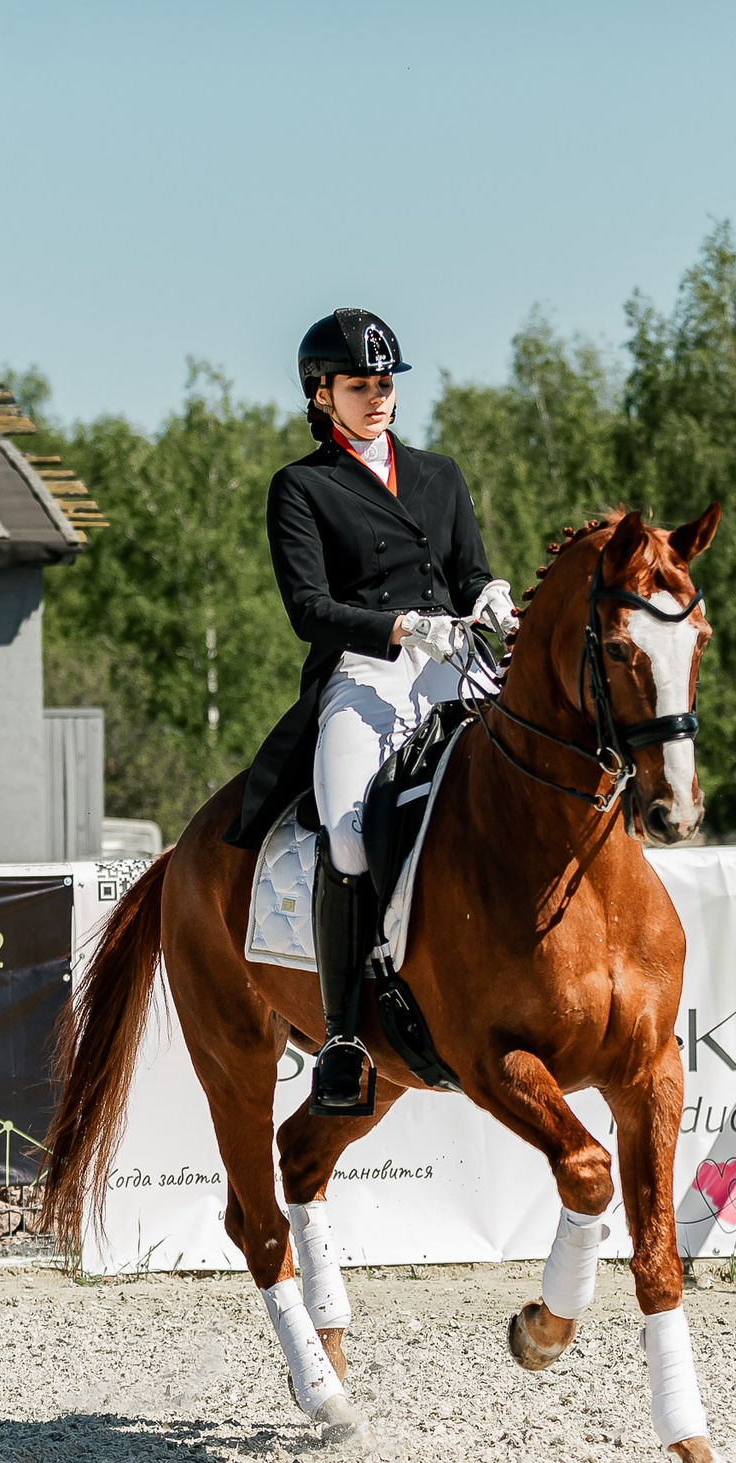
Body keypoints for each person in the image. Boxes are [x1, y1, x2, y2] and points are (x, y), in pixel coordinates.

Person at [225, 309, 519, 1116]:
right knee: (350, 832)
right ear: (322, 394)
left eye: (385, 383)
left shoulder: (439, 473)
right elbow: (309, 609)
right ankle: (344, 1034)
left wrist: (490, 599)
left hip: (454, 663)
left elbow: (468, 571)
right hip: (364, 674)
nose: (378, 396)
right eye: (359, 385)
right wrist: (400, 626)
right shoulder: (303, 487)